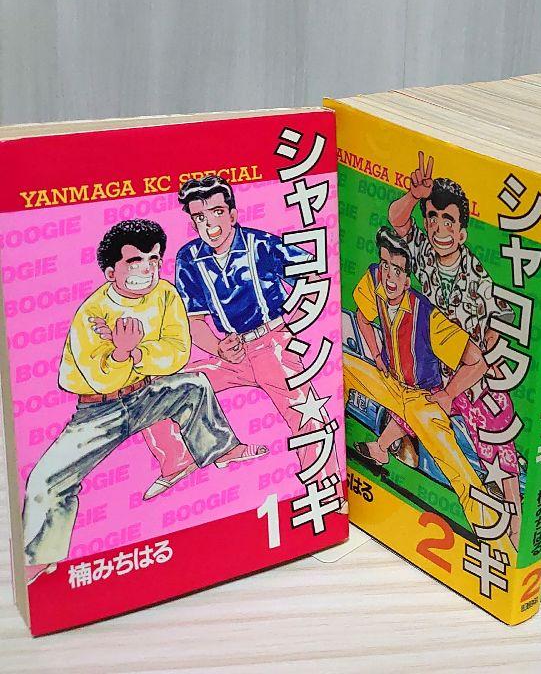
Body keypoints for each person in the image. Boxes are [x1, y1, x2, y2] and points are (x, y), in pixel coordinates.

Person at [22, 220, 258, 571]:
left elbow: (177, 352)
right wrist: (119, 355)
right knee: (46, 481)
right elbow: (98, 377)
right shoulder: (93, 312)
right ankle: (40, 559)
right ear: (111, 272)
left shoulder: (165, 294)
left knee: (194, 386)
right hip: (99, 412)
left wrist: (132, 352)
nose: (146, 269)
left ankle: (221, 449)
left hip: (145, 394)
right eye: (135, 261)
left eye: (153, 259)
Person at [140, 175, 339, 499]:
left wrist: (295, 323)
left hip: (273, 344)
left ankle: (327, 495)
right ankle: (179, 460)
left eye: (217, 212)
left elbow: (313, 272)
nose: (210, 224)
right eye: (200, 217)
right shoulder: (189, 258)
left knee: (307, 416)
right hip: (231, 353)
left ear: (232, 214)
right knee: (155, 389)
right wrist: (218, 347)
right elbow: (194, 321)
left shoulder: (261, 245)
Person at [387, 153, 523, 546]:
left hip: (470, 374)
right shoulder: (422, 253)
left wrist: (463, 381)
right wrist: (414, 197)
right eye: (433, 218)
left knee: (498, 434)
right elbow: (397, 220)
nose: (439, 228)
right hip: (431, 367)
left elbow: (494, 333)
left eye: (448, 220)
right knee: (406, 405)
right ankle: (387, 452)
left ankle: (514, 524)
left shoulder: (477, 277)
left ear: (462, 232)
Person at [345, 227, 492, 533]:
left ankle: (488, 528)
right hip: (389, 381)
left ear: (408, 280)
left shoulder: (428, 317)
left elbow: (477, 362)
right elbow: (361, 317)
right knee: (343, 365)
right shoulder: (375, 279)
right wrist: (377, 356)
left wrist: (449, 394)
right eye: (385, 265)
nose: (388, 276)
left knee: (455, 464)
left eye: (397, 271)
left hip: (421, 395)